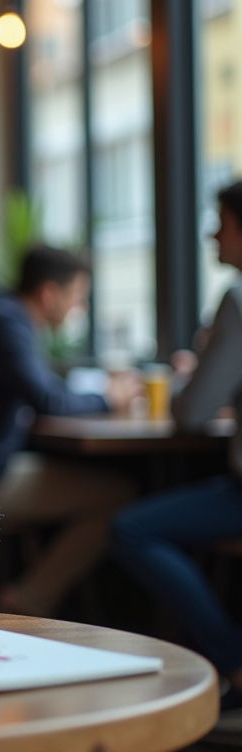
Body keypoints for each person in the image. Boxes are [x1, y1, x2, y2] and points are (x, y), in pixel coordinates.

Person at [0, 246, 139, 617]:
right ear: (50, 293)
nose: (80, 308)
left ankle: (28, 596)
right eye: (78, 297)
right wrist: (109, 397)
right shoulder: (7, 323)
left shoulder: (3, 314)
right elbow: (49, 399)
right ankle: (28, 599)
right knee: (118, 495)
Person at [112, 180, 242, 729]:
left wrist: (202, 369)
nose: (212, 232)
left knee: (131, 528)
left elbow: (190, 414)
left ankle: (232, 660)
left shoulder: (238, 297)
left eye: (221, 221)